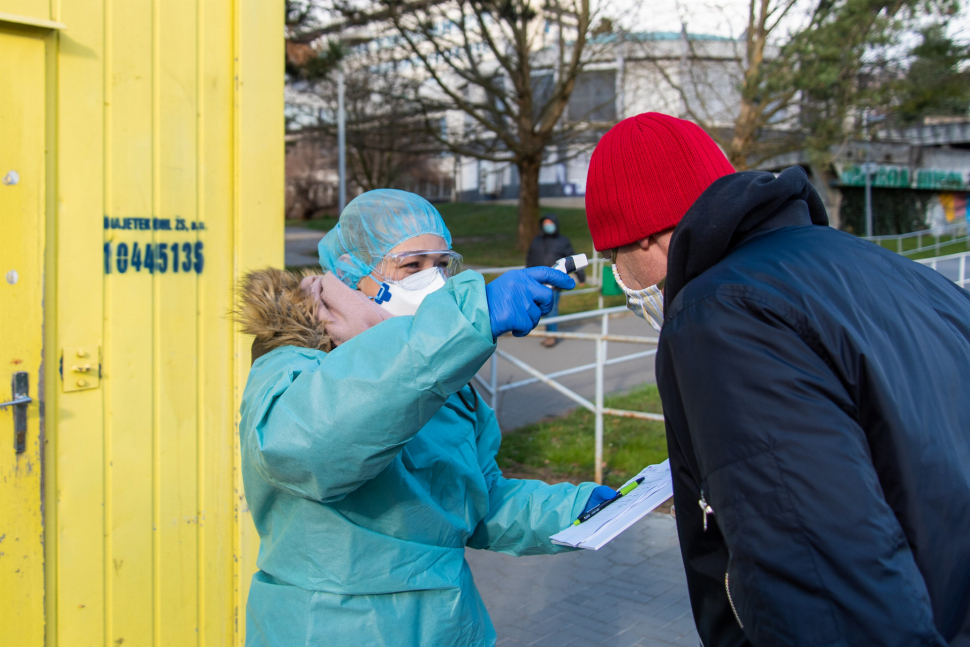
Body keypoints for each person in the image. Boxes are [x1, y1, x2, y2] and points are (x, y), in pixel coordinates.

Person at [583, 113, 970, 646]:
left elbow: (818, 578)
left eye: (614, 258)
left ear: (646, 237)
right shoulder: (894, 272)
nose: (619, 279)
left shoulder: (719, 314)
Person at [236, 189, 616, 647]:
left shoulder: (442, 373)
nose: (433, 282)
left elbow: (476, 500)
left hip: (448, 625)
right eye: (411, 266)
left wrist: (575, 511)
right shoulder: (293, 363)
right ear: (350, 274)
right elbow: (307, 450)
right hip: (333, 628)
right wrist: (466, 321)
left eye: (441, 265)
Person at [525, 213, 586, 347]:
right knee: (540, 309)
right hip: (537, 283)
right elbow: (530, 258)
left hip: (554, 283)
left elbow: (572, 260)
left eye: (550, 223)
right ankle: (547, 333)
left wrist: (581, 276)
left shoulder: (562, 241)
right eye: (545, 223)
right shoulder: (536, 240)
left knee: (551, 309)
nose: (547, 226)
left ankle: (551, 336)